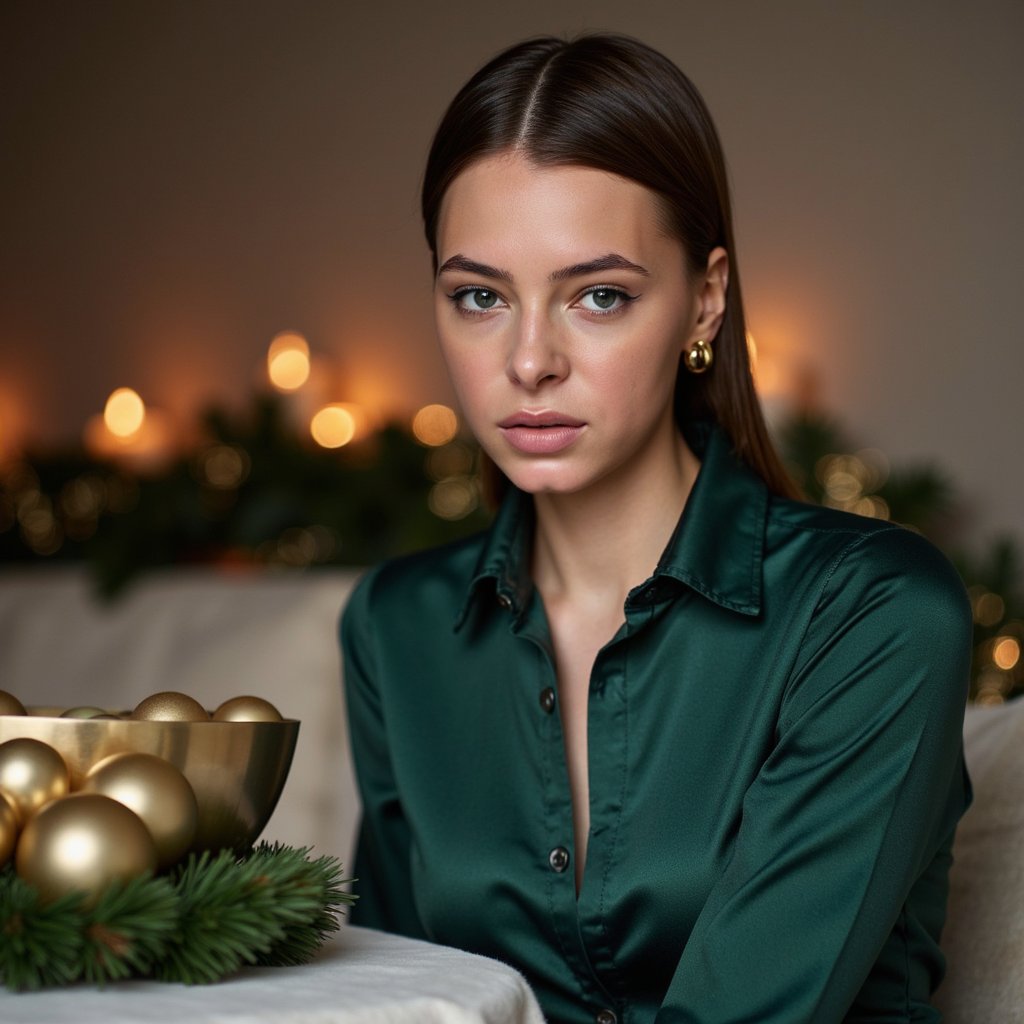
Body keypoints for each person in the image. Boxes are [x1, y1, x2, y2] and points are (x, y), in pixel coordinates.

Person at [341, 33, 972, 1024]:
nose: (530, 359)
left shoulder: (875, 613)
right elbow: (388, 993)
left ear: (704, 300)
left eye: (598, 295)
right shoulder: (397, 625)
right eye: (478, 296)